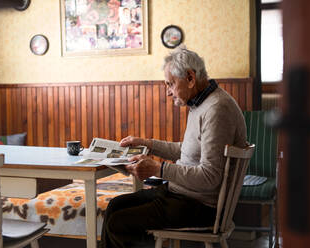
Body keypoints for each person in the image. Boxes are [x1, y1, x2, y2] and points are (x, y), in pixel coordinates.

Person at [100, 46, 247, 248]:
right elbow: (186, 151)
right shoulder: (201, 103)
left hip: (199, 205)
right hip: (182, 195)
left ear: (190, 78)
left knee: (119, 222)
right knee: (115, 206)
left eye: (170, 84)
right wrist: (147, 144)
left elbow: (210, 177)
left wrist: (158, 169)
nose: (168, 92)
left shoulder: (216, 110)